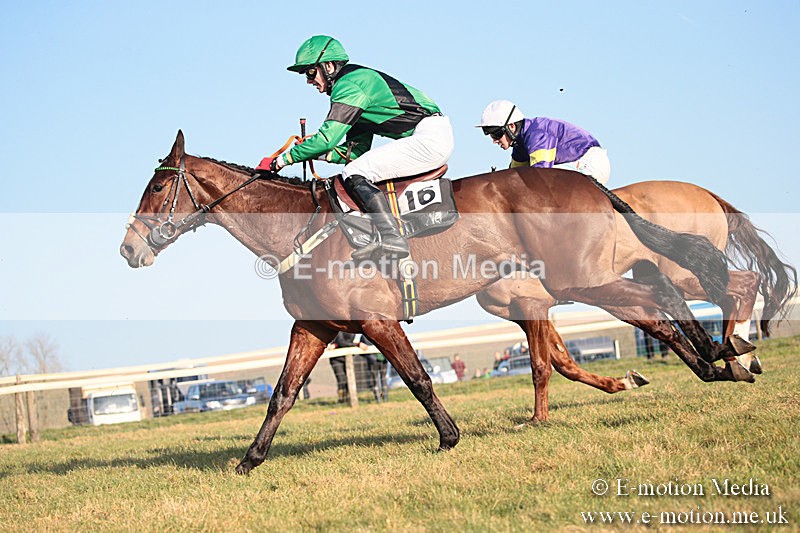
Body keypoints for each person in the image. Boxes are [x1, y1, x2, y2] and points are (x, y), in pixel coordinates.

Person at [258, 35, 454, 261]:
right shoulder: (354, 86)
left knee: (354, 173)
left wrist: (280, 161)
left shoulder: (350, 86)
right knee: (357, 167)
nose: (308, 81)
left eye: (310, 72)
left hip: (430, 137)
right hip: (430, 135)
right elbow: (355, 151)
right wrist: (318, 154)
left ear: (329, 66)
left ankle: (392, 238)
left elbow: (326, 139)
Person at [478, 100, 610, 185]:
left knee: (539, 183)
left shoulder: (537, 133)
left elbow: (541, 175)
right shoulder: (519, 146)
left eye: (497, 134)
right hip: (576, 163)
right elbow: (512, 176)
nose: (495, 141)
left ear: (511, 126)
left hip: (591, 162)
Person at [328, 331, 360, 402]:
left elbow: (344, 343)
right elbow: (341, 342)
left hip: (347, 357)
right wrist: (357, 344)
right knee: (341, 379)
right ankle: (342, 399)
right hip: (336, 358)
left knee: (349, 378)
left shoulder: (353, 330)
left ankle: (348, 398)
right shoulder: (340, 329)